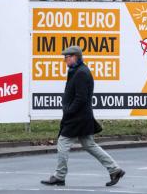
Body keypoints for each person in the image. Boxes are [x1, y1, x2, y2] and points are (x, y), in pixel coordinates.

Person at [41, 46, 126, 187]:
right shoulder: (77, 71)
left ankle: (59, 176)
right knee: (89, 144)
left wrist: (69, 111)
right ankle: (114, 169)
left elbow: (81, 98)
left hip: (77, 118)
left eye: (66, 57)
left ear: (75, 57)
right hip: (81, 117)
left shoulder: (81, 73)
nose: (64, 60)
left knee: (63, 143)